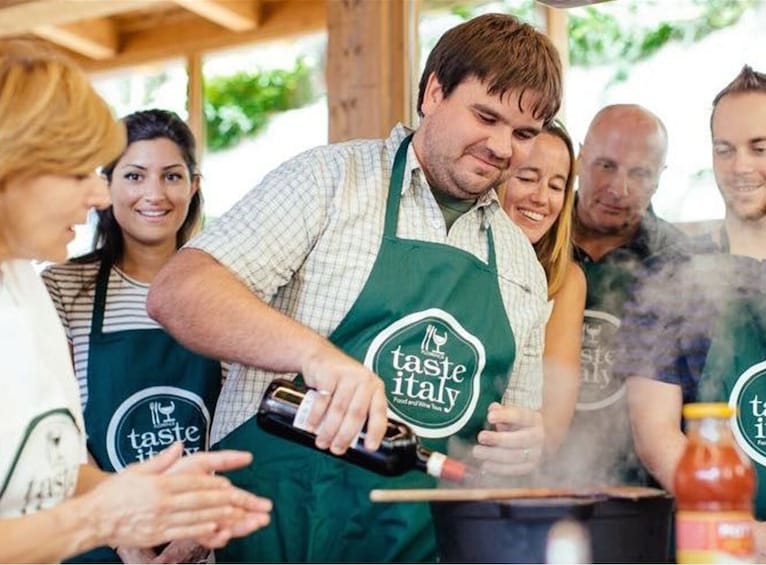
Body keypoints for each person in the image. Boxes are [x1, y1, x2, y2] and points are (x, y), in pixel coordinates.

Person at [148, 12, 562, 563]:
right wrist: (315, 357)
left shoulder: (520, 264)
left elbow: (509, 442)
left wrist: (521, 446)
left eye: (524, 133)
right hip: (274, 534)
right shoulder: (328, 183)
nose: (503, 147)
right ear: (433, 92)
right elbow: (179, 292)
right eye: (485, 116)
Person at [0, 39, 271, 563]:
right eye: (80, 172)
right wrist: (105, 519)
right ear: (13, 165)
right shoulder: (59, 288)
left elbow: (44, 467)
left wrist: (155, 504)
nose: (102, 197)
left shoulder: (23, 288)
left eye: (172, 176)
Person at [622, 66, 766, 562]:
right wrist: (744, 532)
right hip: (715, 549)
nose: (739, 166)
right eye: (724, 149)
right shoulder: (669, 279)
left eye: (760, 146)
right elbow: (655, 435)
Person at [41, 109, 223, 564]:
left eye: (172, 176)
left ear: (194, 186)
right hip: (96, 530)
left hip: (202, 529)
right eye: (135, 176)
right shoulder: (63, 288)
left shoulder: (226, 289)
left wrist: (197, 534)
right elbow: (54, 430)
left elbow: (239, 419)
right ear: (107, 187)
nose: (154, 194)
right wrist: (127, 538)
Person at [562, 104, 688, 486]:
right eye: (605, 165)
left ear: (659, 179)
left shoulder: (678, 261)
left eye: (639, 173)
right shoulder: (533, 233)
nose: (619, 188)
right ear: (580, 156)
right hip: (538, 477)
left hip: (643, 491)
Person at [499, 120, 585, 454]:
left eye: (555, 186)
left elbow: (553, 423)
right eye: (527, 178)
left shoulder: (566, 281)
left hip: (509, 463)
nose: (540, 198)